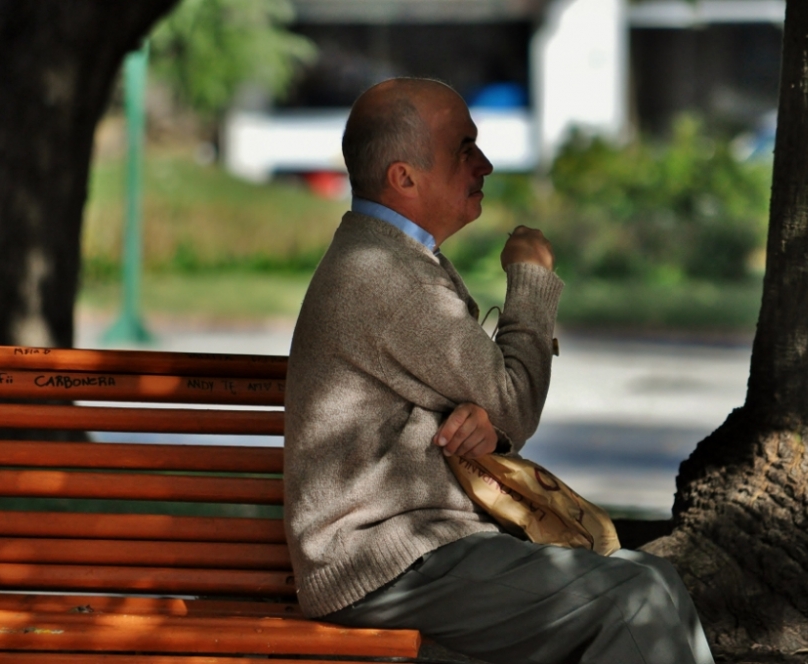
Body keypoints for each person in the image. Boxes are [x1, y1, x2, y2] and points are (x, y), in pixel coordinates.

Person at [284, 78, 714, 664]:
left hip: (422, 549)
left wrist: (478, 418)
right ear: (403, 177)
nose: (484, 163)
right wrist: (531, 279)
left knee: (656, 580)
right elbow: (515, 401)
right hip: (384, 563)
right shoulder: (385, 276)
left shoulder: (389, 256)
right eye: (465, 149)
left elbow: (477, 402)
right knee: (633, 598)